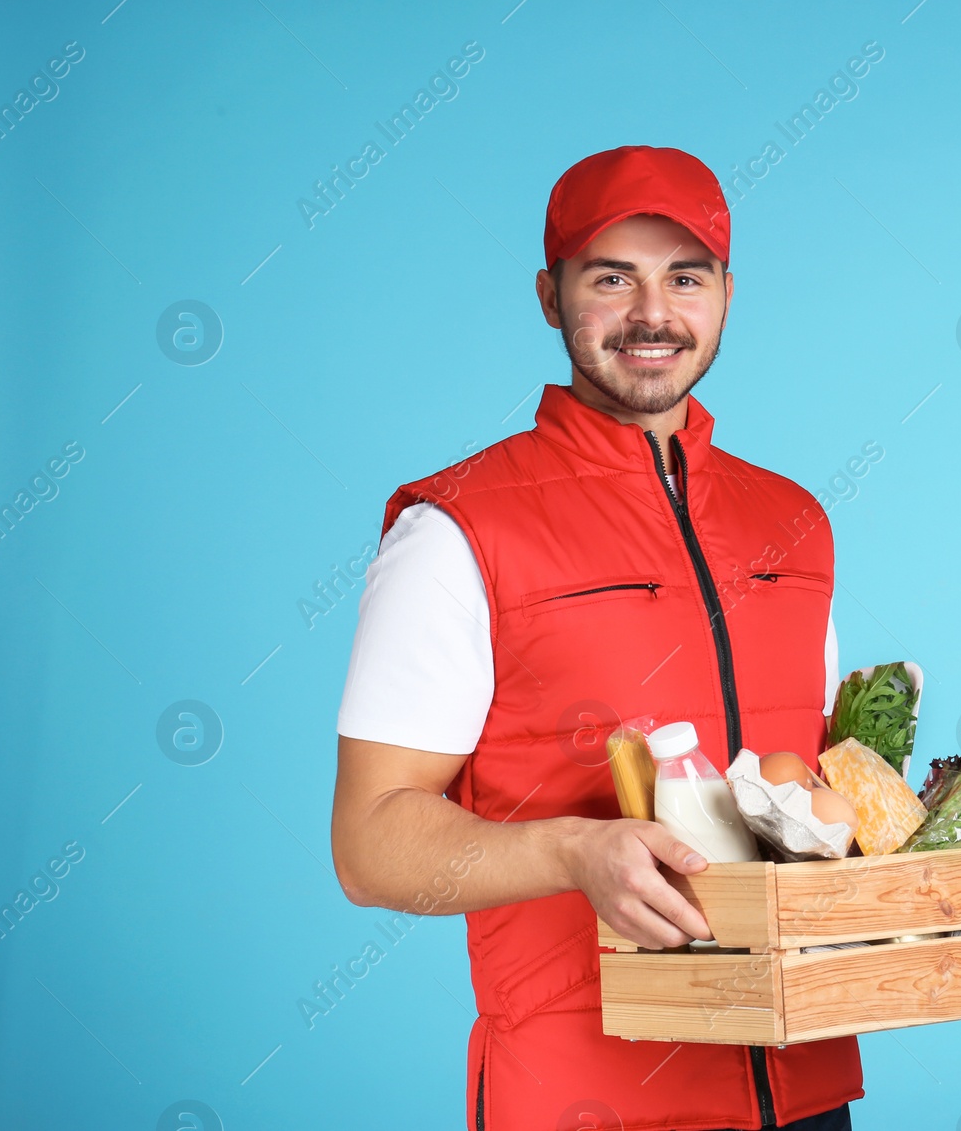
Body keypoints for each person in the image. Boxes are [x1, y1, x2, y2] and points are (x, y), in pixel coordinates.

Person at [330, 146, 863, 1131]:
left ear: (727, 296)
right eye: (610, 277)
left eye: (684, 277)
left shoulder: (793, 523)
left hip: (803, 1089)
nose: (653, 313)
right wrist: (575, 850)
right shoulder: (456, 532)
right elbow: (368, 847)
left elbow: (815, 797)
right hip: (586, 1099)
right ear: (549, 295)